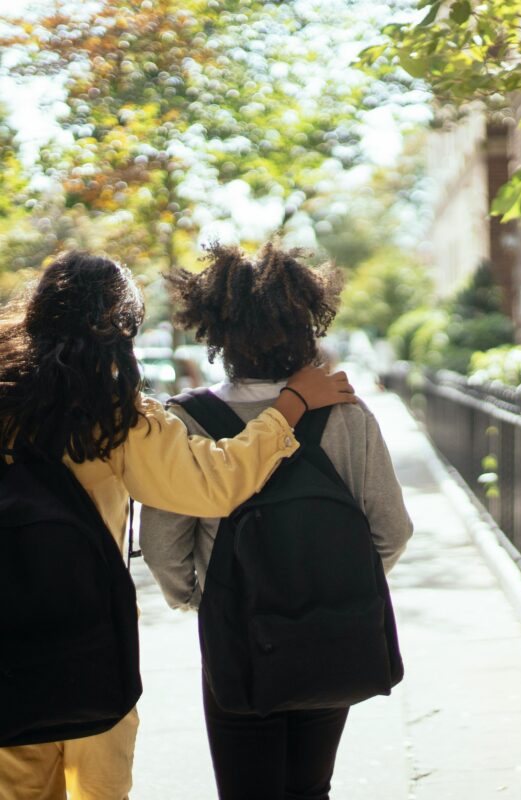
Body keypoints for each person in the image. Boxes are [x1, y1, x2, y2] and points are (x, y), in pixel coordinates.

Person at [0, 251, 356, 800]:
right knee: (99, 786)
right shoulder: (111, 417)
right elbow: (214, 483)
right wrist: (291, 405)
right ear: (120, 328)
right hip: (86, 637)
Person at [139, 242, 412, 800]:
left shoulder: (187, 419)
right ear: (306, 323)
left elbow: (164, 545)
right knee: (311, 788)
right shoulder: (346, 412)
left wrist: (200, 597)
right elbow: (392, 528)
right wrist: (340, 581)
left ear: (216, 331)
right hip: (331, 627)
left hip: (238, 633)